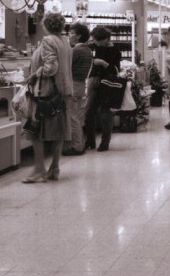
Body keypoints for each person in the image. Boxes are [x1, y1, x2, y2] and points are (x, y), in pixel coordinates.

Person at [22, 12, 72, 182]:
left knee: (35, 131)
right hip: (62, 91)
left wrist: (34, 75)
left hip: (46, 92)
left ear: (45, 25)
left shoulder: (48, 40)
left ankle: (39, 169)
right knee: (58, 131)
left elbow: (51, 66)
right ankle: (54, 168)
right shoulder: (64, 42)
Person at [84, 25, 121, 152]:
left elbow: (116, 70)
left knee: (105, 113)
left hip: (108, 83)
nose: (95, 42)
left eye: (97, 40)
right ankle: (90, 141)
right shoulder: (93, 47)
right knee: (89, 112)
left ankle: (105, 142)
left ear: (105, 39)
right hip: (93, 80)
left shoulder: (115, 50)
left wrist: (104, 64)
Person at [63, 21, 92, 156]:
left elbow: (65, 67)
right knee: (78, 117)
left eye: (72, 33)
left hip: (73, 85)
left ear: (79, 36)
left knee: (72, 117)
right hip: (81, 85)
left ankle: (77, 147)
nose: (69, 35)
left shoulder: (76, 50)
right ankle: (80, 143)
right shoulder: (87, 50)